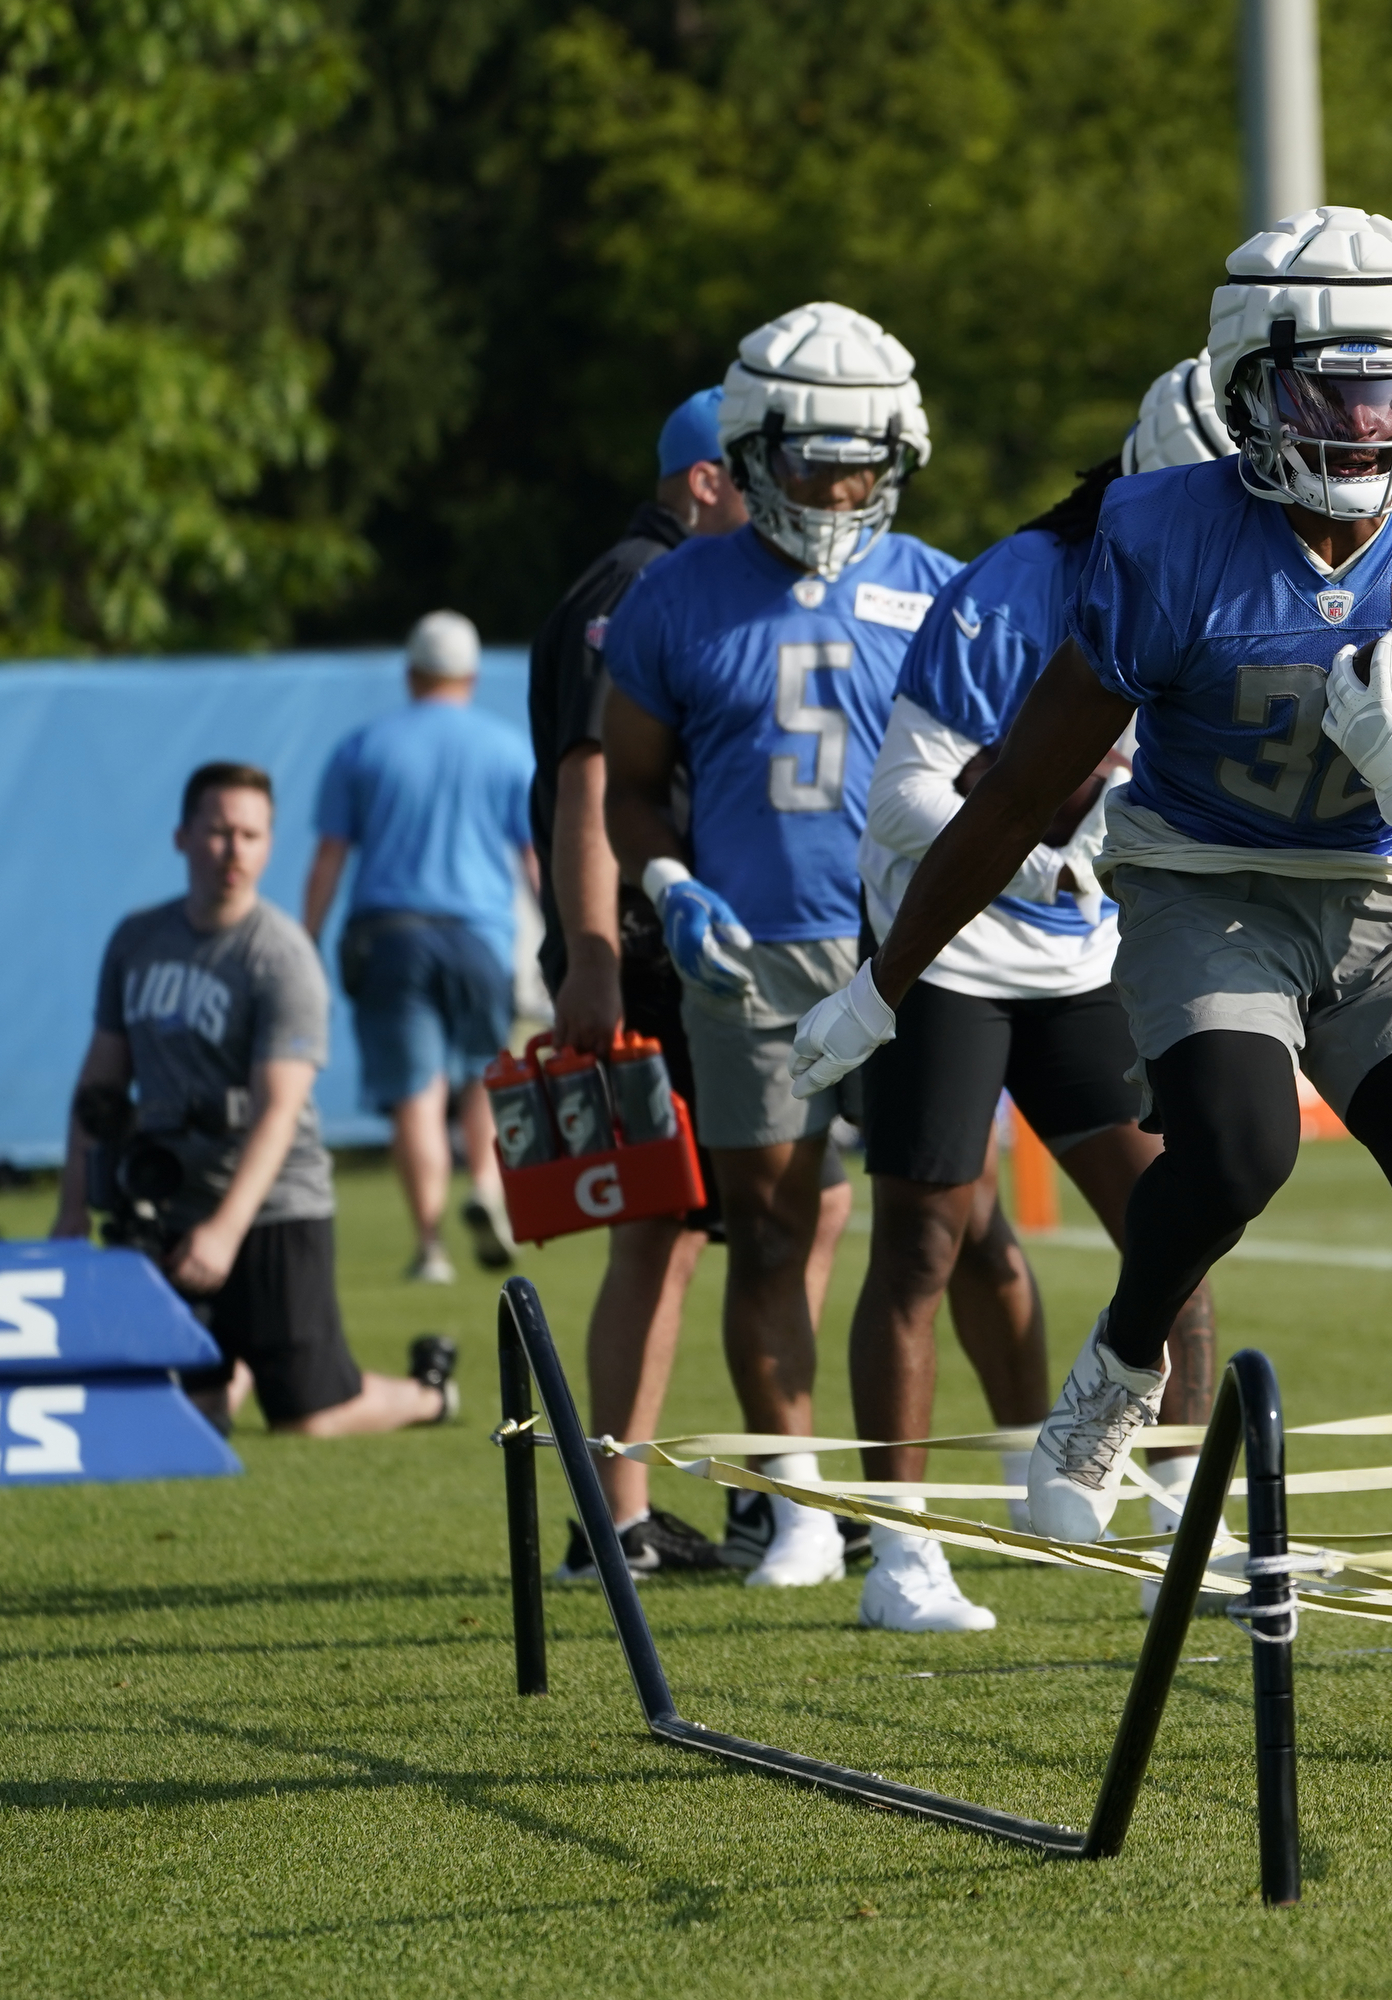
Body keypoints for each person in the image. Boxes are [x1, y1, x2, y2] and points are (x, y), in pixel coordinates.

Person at [791, 209, 1392, 1758]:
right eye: (1326, 387)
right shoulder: (1164, 539)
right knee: (1237, 1142)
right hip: (1202, 882)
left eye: (1391, 386)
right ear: (1248, 383)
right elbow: (1018, 795)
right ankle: (1122, 1358)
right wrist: (888, 982)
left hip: (1391, 890)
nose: (1363, 422)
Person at [845, 352, 1231, 1632]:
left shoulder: (1246, 582)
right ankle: (900, 1554)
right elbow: (904, 790)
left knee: (1180, 1225)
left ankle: (1184, 1512)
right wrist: (1052, 842)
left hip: (1086, 962)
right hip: (952, 948)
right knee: (923, 1240)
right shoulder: (1018, 584)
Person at [603, 301, 960, 1589]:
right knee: (765, 1228)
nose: (839, 485)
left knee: (937, 1223)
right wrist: (664, 881)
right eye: (813, 459)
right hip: (749, 951)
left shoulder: (937, 587)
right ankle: (800, 1498)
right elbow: (628, 783)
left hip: (914, 950)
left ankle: (916, 1519)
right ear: (753, 451)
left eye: (861, 459)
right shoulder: (676, 594)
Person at [531, 388, 869, 1582]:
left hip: (696, 942)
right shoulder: (646, 585)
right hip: (658, 947)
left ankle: (767, 1491)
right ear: (711, 480)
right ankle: (622, 1512)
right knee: (668, 1231)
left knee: (788, 1207)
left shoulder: (674, 581)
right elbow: (588, 783)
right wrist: (593, 952)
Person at [54, 762, 456, 1434]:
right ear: (182, 837)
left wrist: (226, 1231)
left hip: (271, 1208)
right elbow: (98, 1085)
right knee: (182, 1415)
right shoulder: (137, 941)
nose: (234, 851)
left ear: (270, 844)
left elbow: (279, 1109)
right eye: (217, 832)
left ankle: (429, 1392)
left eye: (251, 834)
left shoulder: (281, 956)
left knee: (308, 1417)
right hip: (168, 1204)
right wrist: (71, 1210)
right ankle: (226, 1369)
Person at [302, 611, 537, 1285]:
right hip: (480, 938)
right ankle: (487, 1187)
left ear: (410, 672)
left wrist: (306, 941)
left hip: (389, 934)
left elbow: (328, 859)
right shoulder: (503, 748)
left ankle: (430, 1244)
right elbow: (534, 859)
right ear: (470, 675)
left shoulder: (362, 747)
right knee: (483, 1075)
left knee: (414, 1094)